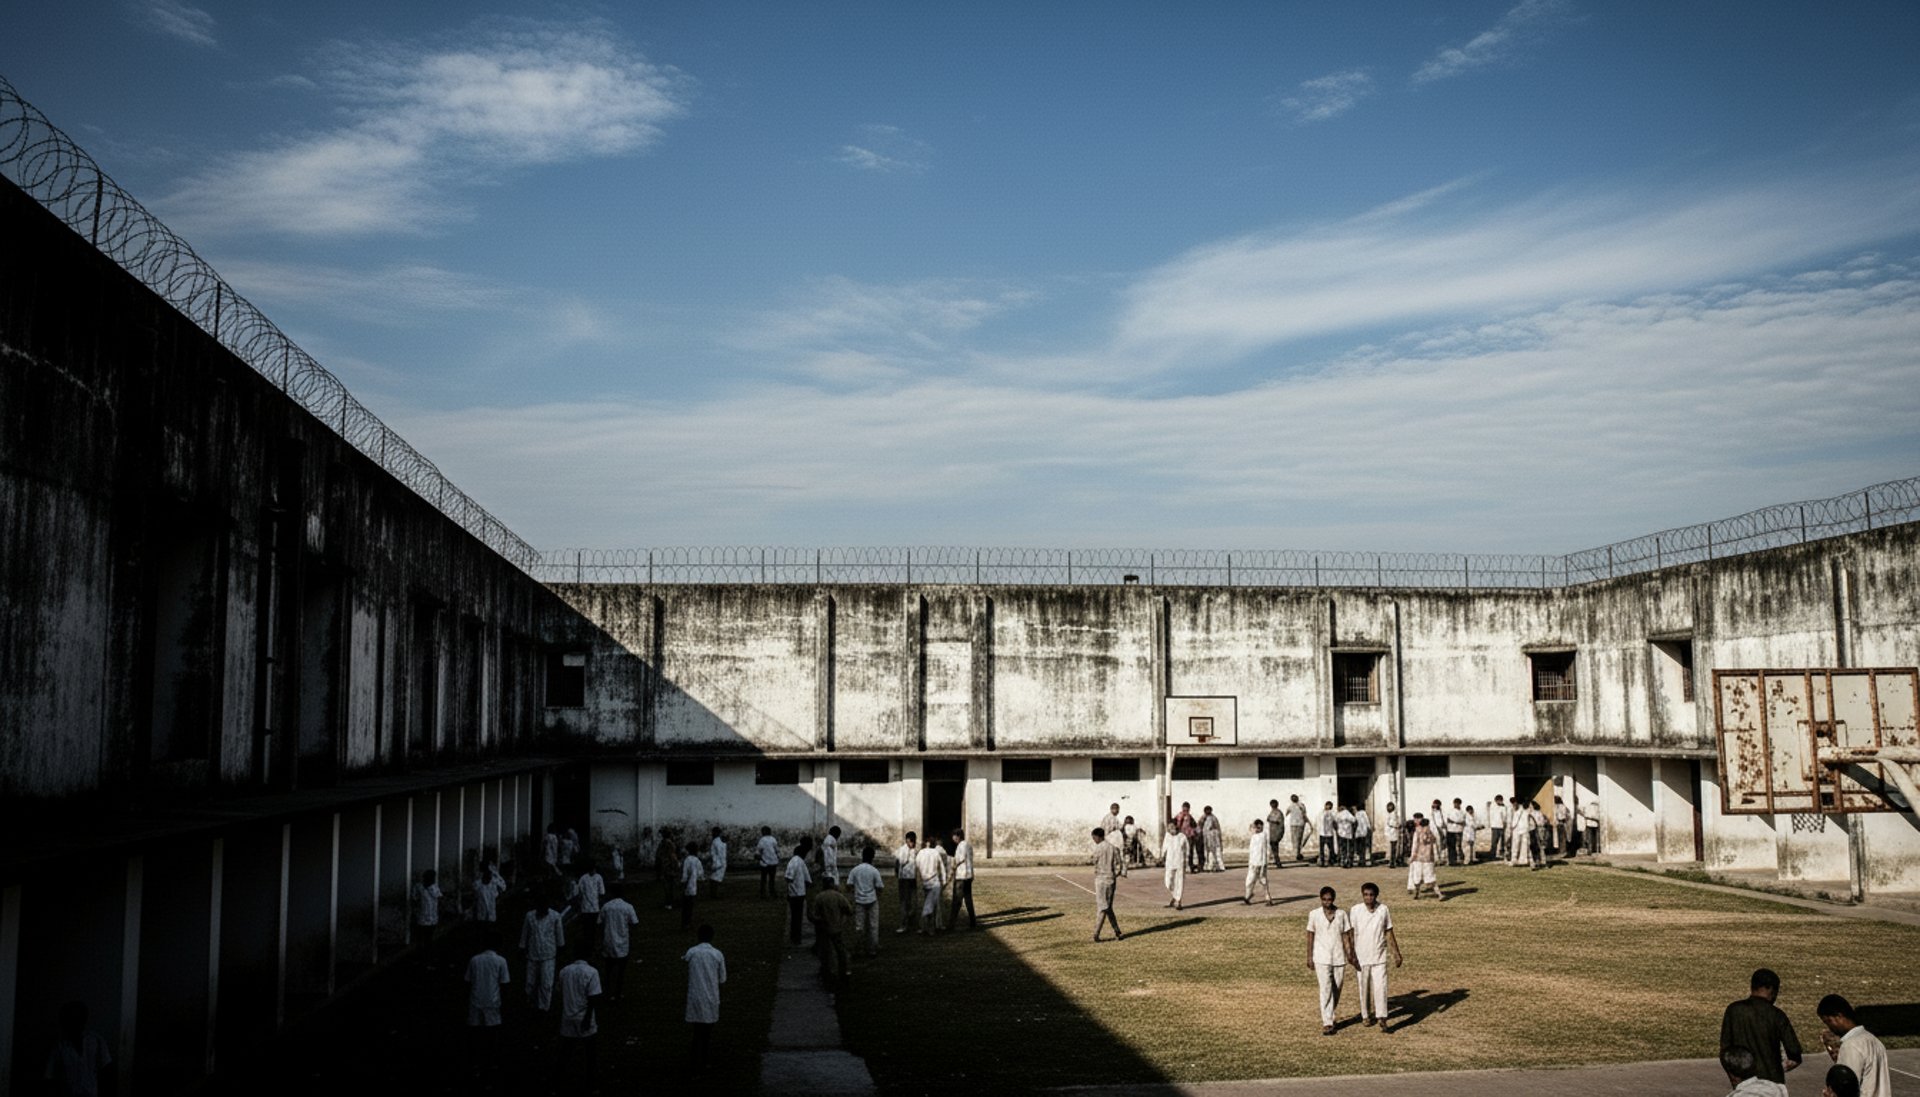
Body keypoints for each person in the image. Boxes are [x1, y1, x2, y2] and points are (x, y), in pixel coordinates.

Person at [1721, 968, 1804, 1087]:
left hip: (1743, 1083)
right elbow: (1794, 1053)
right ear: (1771, 989)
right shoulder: (1777, 1015)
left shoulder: (1733, 1010)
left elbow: (1725, 1051)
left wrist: (1734, 1078)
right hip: (1772, 1083)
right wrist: (1778, 1069)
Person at [1350, 882, 1404, 1032]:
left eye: (1371, 895)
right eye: (1366, 895)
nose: (1368, 898)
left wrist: (1396, 953)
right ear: (1362, 895)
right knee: (1364, 988)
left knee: (1381, 988)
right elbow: (1350, 934)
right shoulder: (1355, 910)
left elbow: (1389, 931)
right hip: (1361, 956)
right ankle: (1366, 1015)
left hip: (1379, 955)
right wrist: (1351, 954)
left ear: (1376, 895)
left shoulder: (1383, 909)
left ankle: (1382, 1017)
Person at [1305, 886, 1356, 1036]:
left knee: (1337, 988)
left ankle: (1330, 1012)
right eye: (1324, 900)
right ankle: (1327, 1022)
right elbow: (1310, 936)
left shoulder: (1341, 914)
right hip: (1321, 957)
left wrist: (1350, 954)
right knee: (1325, 988)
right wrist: (1309, 957)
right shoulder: (1314, 914)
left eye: (1329, 899)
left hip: (1339, 957)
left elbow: (1347, 936)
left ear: (1333, 899)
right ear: (1320, 899)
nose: (1327, 902)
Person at [1817, 994, 1889, 1097]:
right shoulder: (1875, 1041)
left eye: (1828, 1021)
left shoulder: (1850, 1046)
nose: (1829, 1027)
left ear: (1839, 1016)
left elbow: (1846, 1088)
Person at [556, 940, 603, 1087]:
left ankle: (559, 1079)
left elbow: (559, 992)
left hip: (568, 1015)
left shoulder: (564, 971)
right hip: (584, 1016)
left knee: (566, 1050)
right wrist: (588, 1018)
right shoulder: (592, 972)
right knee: (590, 1052)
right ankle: (591, 1081)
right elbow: (594, 997)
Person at [43, 1001, 111, 1097]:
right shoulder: (59, 1047)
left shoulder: (96, 1041)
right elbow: (50, 1077)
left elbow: (106, 1071)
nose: (74, 1022)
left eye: (77, 1018)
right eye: (71, 1018)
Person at [684, 924, 727, 1071]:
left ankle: (694, 1060)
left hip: (695, 996)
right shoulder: (717, 954)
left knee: (696, 1032)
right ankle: (704, 1060)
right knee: (707, 1032)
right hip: (711, 997)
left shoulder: (692, 952)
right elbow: (722, 979)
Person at [519, 885, 566, 1012]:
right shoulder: (530, 916)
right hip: (532, 954)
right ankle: (530, 1002)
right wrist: (523, 949)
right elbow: (525, 935)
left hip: (549, 955)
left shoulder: (555, 917)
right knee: (529, 983)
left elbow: (560, 938)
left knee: (546, 984)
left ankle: (543, 1008)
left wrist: (560, 953)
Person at [808, 880, 855, 988]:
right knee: (841, 951)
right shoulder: (838, 896)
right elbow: (849, 910)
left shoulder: (819, 897)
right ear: (833, 885)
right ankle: (845, 972)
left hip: (824, 928)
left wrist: (820, 921)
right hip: (837, 928)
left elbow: (813, 915)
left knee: (826, 952)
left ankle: (828, 973)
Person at [598, 883, 640, 1001]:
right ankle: (617, 993)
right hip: (623, 943)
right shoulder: (627, 907)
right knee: (621, 971)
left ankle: (608, 992)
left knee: (608, 970)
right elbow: (634, 923)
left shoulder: (606, 907)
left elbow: (600, 923)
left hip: (608, 942)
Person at [465, 931, 511, 1028]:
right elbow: (504, 984)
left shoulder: (474, 960)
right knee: (492, 1030)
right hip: (493, 1001)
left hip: (475, 1000)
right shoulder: (501, 961)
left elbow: (468, 981)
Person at [848, 844, 885, 958]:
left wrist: (854, 894)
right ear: (872, 857)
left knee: (859, 926)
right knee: (873, 925)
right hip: (872, 900)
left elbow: (849, 885)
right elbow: (880, 887)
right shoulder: (874, 871)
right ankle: (872, 949)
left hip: (859, 900)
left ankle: (859, 948)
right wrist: (877, 896)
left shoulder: (855, 870)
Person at [1092, 827, 1125, 942]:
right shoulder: (1113, 848)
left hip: (1100, 880)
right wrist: (1113, 875)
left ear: (1098, 837)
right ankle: (1117, 931)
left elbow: (1094, 862)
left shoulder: (1097, 849)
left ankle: (1096, 933)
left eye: (1094, 838)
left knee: (1102, 907)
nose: (1094, 840)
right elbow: (1119, 866)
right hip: (1110, 880)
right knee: (1108, 907)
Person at [914, 832, 947, 935]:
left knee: (926, 904)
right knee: (933, 905)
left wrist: (918, 879)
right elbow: (942, 868)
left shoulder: (920, 853)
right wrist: (944, 881)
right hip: (934, 882)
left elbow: (916, 868)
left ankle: (924, 927)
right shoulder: (935, 853)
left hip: (925, 882)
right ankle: (931, 928)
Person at [785, 837, 814, 946]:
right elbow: (807, 880)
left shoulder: (795, 862)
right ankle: (796, 937)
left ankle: (795, 937)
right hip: (798, 893)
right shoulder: (798, 862)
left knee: (795, 917)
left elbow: (789, 878)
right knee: (797, 917)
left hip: (795, 893)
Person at [1406, 816, 1441, 900]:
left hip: (1418, 858)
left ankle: (1417, 893)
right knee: (1431, 877)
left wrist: (1412, 858)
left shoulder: (1417, 832)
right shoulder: (1430, 833)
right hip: (1428, 858)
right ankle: (1439, 894)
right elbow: (1435, 844)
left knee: (1417, 877)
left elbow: (1415, 846)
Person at [411, 868, 444, 956]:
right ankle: (423, 952)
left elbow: (439, 898)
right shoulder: (419, 887)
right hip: (423, 917)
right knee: (422, 937)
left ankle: (426, 953)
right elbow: (414, 899)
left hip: (431, 917)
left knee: (428, 937)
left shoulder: (434, 888)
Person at [949, 828, 977, 929]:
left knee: (957, 900)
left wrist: (952, 866)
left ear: (958, 836)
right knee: (968, 900)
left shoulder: (961, 846)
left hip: (961, 876)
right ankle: (973, 922)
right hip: (968, 876)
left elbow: (959, 859)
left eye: (954, 836)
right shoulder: (968, 844)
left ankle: (951, 923)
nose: (953, 838)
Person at [894, 831, 919, 933]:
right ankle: (903, 924)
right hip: (904, 879)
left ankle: (911, 923)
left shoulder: (914, 850)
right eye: (910, 842)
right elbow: (898, 863)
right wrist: (898, 875)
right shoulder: (902, 850)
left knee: (913, 901)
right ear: (907, 840)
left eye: (913, 842)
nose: (912, 844)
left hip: (912, 879)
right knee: (905, 902)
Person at [1244, 819, 1273, 905]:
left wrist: (1262, 862)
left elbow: (1261, 851)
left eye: (1259, 827)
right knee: (1250, 880)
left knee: (1262, 880)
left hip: (1259, 862)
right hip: (1253, 862)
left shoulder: (1262, 835)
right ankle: (1248, 896)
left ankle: (1268, 897)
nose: (1256, 829)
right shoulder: (1254, 836)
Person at [1161, 819, 1188, 910]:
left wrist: (1187, 861)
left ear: (1176, 827)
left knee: (1179, 881)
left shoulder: (1182, 837)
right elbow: (1164, 848)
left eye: (1172, 827)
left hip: (1180, 862)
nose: (1170, 829)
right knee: (1168, 882)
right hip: (1169, 862)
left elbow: (1187, 850)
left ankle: (1178, 901)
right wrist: (1161, 857)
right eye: (1169, 827)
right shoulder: (1167, 836)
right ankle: (1175, 896)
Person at [473, 860, 507, 925]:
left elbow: (504, 887)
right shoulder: (477, 885)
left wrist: (496, 873)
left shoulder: (495, 883)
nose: (488, 873)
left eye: (489, 872)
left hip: (491, 917)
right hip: (481, 917)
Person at [680, 842, 705, 930]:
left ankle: (685, 923)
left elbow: (685, 875)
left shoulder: (687, 860)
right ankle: (688, 922)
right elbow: (701, 875)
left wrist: (683, 885)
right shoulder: (697, 861)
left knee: (685, 907)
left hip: (687, 886)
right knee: (690, 906)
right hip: (694, 887)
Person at [656, 832, 681, 910]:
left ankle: (668, 902)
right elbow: (672, 856)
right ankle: (670, 902)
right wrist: (676, 866)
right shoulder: (670, 844)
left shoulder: (661, 844)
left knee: (667, 886)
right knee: (671, 886)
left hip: (664, 867)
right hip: (669, 867)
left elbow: (658, 856)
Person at [1176, 803, 1202, 873]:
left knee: (1190, 852)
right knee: (1181, 852)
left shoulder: (1189, 817)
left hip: (1189, 836)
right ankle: (1182, 866)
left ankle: (1190, 866)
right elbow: (1176, 825)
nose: (1185, 811)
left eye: (1187, 809)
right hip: (1181, 836)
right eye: (1184, 809)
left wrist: (1198, 833)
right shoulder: (1179, 816)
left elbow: (1194, 825)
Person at [756, 826, 780, 899]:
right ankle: (772, 893)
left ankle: (763, 894)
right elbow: (777, 850)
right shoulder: (773, 839)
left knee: (763, 879)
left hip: (765, 862)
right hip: (773, 862)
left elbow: (758, 851)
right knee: (772, 879)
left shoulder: (762, 840)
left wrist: (758, 856)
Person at [1443, 799, 1466, 866]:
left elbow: (1463, 821)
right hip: (1450, 830)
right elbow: (1448, 820)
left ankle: (1459, 860)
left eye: (1458, 803)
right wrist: (1457, 822)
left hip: (1459, 831)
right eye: (1455, 803)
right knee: (1451, 846)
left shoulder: (1462, 812)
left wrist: (1455, 822)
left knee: (1459, 846)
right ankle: (1451, 860)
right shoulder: (1450, 811)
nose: (1456, 805)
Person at [1285, 795, 1308, 862]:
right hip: (1300, 824)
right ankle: (1297, 853)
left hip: (1294, 824)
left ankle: (1297, 853)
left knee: (1295, 839)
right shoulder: (1301, 805)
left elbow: (1286, 813)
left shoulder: (1291, 806)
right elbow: (1304, 814)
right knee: (1298, 839)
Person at [1201, 806, 1224, 872]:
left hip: (1214, 838)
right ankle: (1210, 866)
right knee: (1209, 853)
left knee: (1217, 852)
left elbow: (1217, 829)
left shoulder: (1213, 818)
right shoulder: (1203, 818)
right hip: (1207, 839)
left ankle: (1220, 866)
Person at [708, 827, 728, 898]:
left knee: (714, 879)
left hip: (718, 861)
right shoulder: (721, 841)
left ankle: (714, 894)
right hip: (720, 861)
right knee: (716, 879)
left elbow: (719, 853)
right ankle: (715, 894)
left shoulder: (716, 841)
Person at [1266, 800, 1286, 865]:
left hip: (1276, 831)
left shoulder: (1278, 812)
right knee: (1273, 846)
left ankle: (1277, 861)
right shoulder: (1272, 812)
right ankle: (1276, 859)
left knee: (1274, 845)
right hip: (1273, 832)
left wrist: (1270, 820)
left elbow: (1278, 821)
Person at [1318, 802, 1338, 867]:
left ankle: (1323, 861)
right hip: (1328, 833)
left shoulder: (1322, 813)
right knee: (1330, 848)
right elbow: (1334, 823)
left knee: (1323, 849)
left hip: (1323, 833)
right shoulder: (1332, 813)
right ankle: (1330, 861)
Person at [1490, 795, 1509, 863]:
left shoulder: (1504, 807)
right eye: (1498, 800)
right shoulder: (1493, 807)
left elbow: (1505, 816)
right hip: (1495, 826)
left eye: (1501, 800)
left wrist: (1505, 824)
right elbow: (1492, 816)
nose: (1500, 802)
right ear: (1496, 800)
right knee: (1494, 841)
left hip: (1502, 826)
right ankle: (1492, 855)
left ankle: (1502, 854)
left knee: (1503, 842)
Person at [1384, 801, 1403, 866]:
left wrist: (1396, 826)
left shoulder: (1393, 814)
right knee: (1392, 848)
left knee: (1393, 848)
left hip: (1392, 833)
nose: (1388, 808)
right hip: (1391, 833)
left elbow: (1391, 823)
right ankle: (1392, 861)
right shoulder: (1391, 814)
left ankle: (1392, 862)